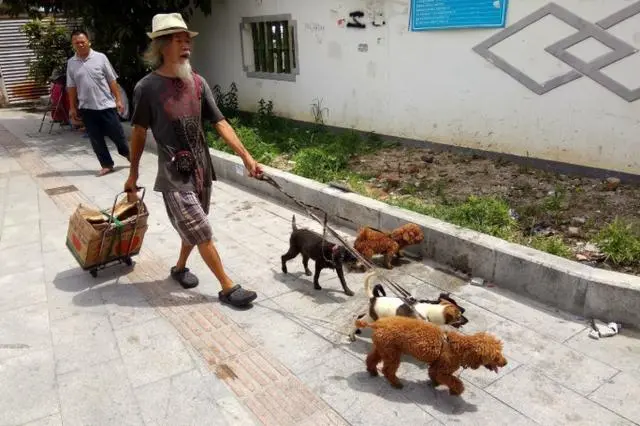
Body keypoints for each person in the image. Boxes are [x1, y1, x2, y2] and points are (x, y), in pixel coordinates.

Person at [124, 13, 263, 307]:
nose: (186, 44)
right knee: (202, 230)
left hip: (201, 171)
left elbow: (220, 122)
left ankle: (178, 269)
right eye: (178, 39)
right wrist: (132, 175)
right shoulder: (146, 88)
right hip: (174, 176)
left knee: (193, 228)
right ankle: (227, 287)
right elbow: (138, 133)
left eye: (187, 39)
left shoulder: (197, 82)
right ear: (162, 45)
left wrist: (247, 158)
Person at [66, 29, 130, 176]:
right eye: (77, 43)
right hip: (87, 108)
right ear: (73, 45)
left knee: (117, 135)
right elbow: (71, 86)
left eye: (83, 42)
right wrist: (72, 107)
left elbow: (111, 80)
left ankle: (127, 153)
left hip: (106, 105)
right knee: (96, 139)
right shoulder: (71, 63)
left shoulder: (100, 58)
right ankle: (106, 164)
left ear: (89, 42)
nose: (80, 45)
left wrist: (118, 99)